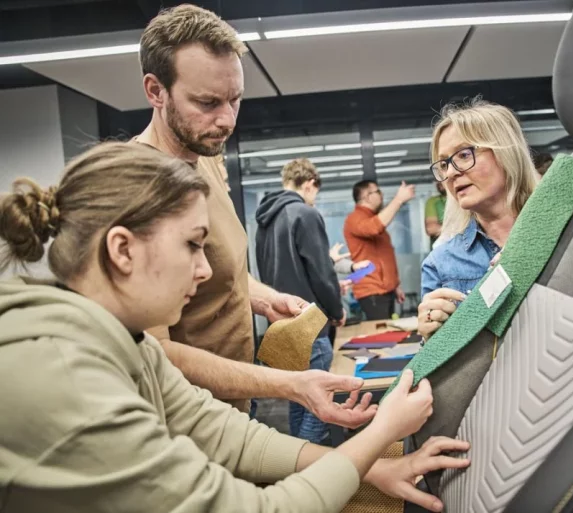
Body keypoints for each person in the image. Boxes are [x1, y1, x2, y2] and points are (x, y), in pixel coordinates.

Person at [0, 142, 471, 512]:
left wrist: (368, 468)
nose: (205, 271)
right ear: (122, 250)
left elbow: (229, 435)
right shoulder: (65, 380)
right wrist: (378, 436)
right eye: (192, 245)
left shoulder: (129, 340)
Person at [133, 4, 375, 425]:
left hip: (238, 402)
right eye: (207, 102)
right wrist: (287, 385)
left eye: (235, 99)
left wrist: (265, 298)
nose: (226, 120)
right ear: (156, 91)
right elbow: (154, 354)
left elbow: (219, 267)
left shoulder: (204, 157)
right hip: (188, 425)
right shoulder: (137, 186)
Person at [418, 99, 538, 339]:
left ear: (506, 153)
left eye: (464, 154)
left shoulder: (562, 232)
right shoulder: (440, 263)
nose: (451, 172)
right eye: (444, 164)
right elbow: (437, 368)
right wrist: (429, 336)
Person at [255, 158, 347, 443]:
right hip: (311, 325)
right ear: (309, 184)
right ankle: (309, 471)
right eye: (315, 192)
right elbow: (321, 273)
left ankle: (296, 464)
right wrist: (336, 309)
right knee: (320, 409)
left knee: (298, 403)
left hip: (282, 325)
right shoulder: (305, 214)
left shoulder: (264, 221)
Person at [344, 180, 414, 320]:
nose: (381, 195)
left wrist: (395, 286)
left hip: (385, 291)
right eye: (378, 191)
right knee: (381, 339)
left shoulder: (371, 217)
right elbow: (374, 227)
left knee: (388, 336)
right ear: (367, 196)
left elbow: (383, 256)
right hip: (372, 292)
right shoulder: (354, 219)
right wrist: (398, 199)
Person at [424, 181, 447, 247]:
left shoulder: (462, 199)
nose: (438, 182)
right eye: (436, 180)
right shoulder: (433, 201)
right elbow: (431, 229)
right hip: (440, 251)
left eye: (441, 177)